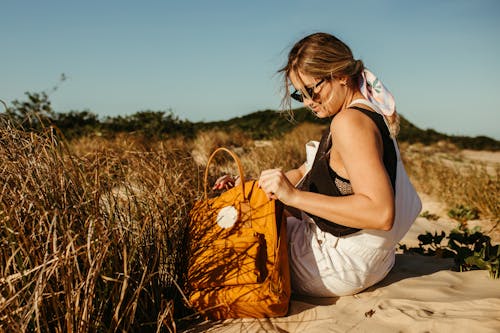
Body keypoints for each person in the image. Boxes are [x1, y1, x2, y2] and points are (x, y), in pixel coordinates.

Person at [214, 32, 420, 297]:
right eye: (300, 96)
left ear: (341, 75)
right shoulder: (367, 113)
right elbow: (303, 172)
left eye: (312, 90)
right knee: (265, 211)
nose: (309, 102)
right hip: (373, 261)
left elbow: (380, 213)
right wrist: (248, 189)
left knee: (241, 236)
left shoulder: (349, 123)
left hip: (340, 266)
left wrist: (295, 197)